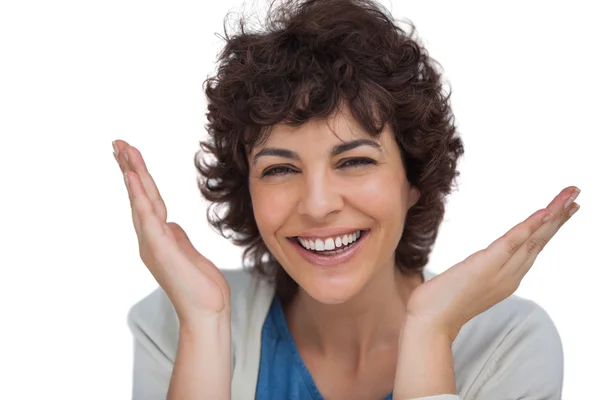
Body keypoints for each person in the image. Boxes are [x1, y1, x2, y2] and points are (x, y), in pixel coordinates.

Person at [117, 0, 579, 398]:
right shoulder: (177, 321)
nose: (317, 205)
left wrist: (430, 333)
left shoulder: (510, 345)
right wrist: (203, 324)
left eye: (354, 161)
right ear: (248, 189)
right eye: (280, 169)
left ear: (413, 178)